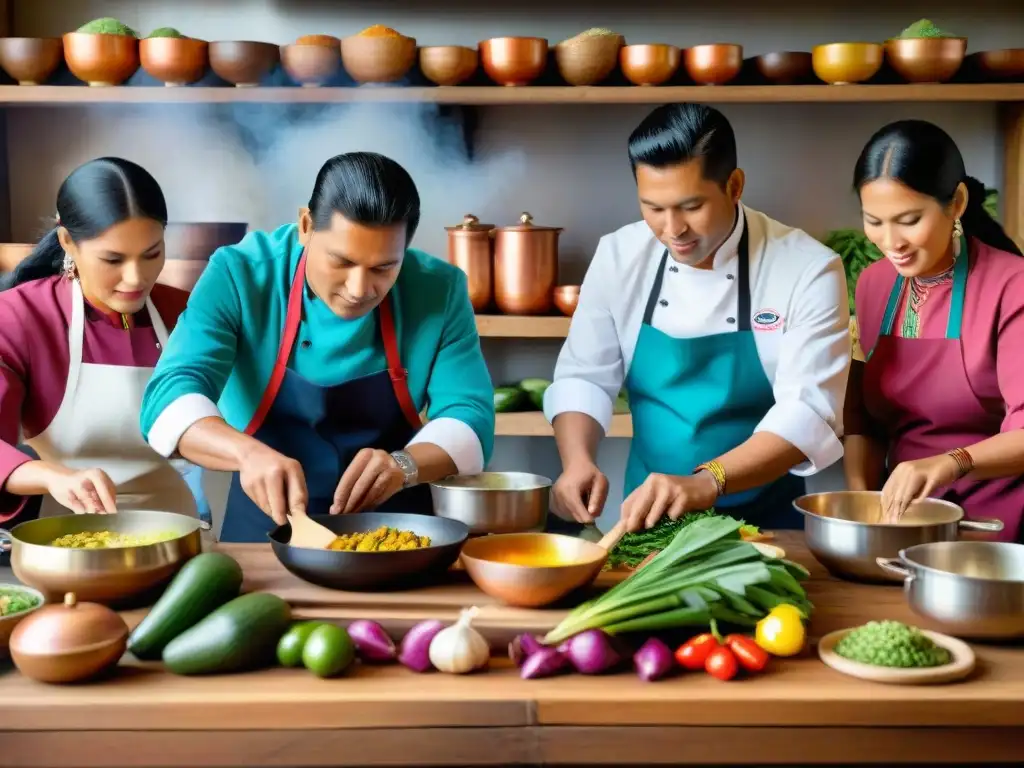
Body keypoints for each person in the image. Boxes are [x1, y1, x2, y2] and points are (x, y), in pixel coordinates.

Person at [140, 151, 495, 542]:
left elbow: (469, 413)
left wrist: (404, 466)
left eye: (383, 268)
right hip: (265, 523)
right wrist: (247, 454)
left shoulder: (438, 290)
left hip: (397, 528)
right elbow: (169, 397)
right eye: (341, 261)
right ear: (306, 225)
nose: (359, 290)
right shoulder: (240, 274)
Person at [544, 103, 851, 533]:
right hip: (646, 525)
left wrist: (709, 482)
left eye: (691, 207)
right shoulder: (619, 256)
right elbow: (584, 377)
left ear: (735, 185)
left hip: (767, 528)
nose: (673, 229)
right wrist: (577, 462)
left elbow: (809, 411)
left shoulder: (807, 268)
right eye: (653, 208)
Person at [843, 119, 1024, 540]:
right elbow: (864, 425)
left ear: (956, 202)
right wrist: (860, 504)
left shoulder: (1012, 286)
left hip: (1000, 527)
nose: (891, 242)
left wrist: (949, 462)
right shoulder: (873, 284)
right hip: (907, 522)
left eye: (908, 220)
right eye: (874, 221)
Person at [0, 157, 204, 524]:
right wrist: (50, 476)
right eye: (113, 259)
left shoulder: (185, 312)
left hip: (177, 532)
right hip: (63, 537)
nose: (135, 278)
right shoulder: (20, 316)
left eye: (152, 253)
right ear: (67, 242)